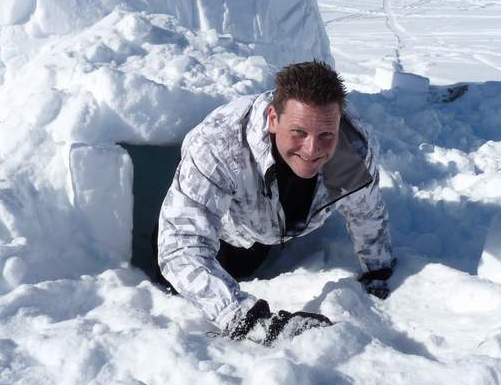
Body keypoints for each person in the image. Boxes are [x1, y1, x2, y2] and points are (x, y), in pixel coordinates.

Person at [154, 60, 395, 346]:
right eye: (299, 132)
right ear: (273, 118)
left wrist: (377, 269)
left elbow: (365, 210)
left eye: (326, 135)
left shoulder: (349, 151)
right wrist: (251, 321)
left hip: (263, 237)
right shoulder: (219, 145)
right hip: (220, 234)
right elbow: (181, 245)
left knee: (246, 265)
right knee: (180, 294)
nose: (312, 149)